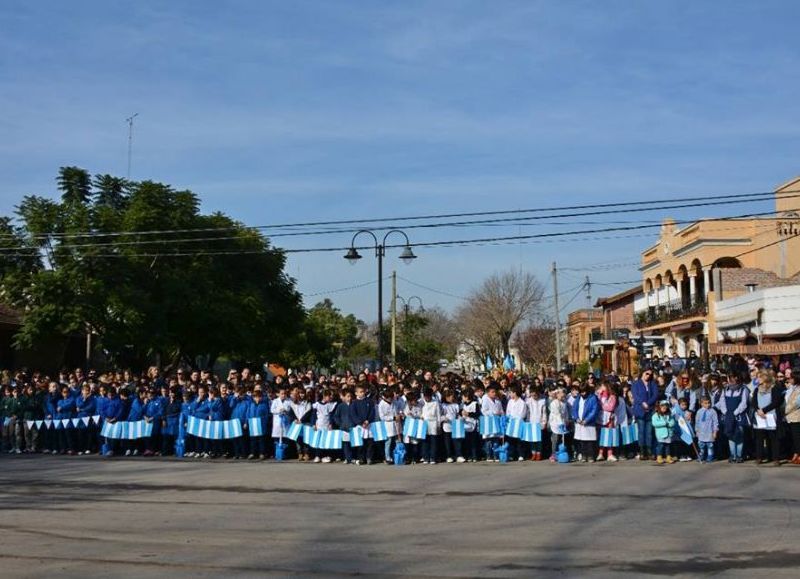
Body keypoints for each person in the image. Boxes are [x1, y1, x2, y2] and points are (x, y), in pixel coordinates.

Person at [751, 370, 782, 466]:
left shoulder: (774, 388)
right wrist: (758, 410)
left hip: (771, 416)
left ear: (765, 378)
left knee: (773, 438)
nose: (758, 379)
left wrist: (764, 410)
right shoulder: (757, 389)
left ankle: (775, 458)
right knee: (759, 438)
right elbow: (754, 402)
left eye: (759, 377)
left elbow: (776, 402)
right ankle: (759, 457)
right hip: (760, 416)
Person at [716, 372, 749, 463]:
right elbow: (722, 401)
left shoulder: (743, 389)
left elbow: (744, 403)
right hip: (728, 415)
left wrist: (736, 412)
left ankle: (739, 455)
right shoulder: (725, 389)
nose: (731, 380)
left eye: (733, 377)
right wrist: (725, 411)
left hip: (739, 416)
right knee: (730, 435)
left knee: (739, 436)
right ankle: (732, 455)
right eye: (730, 378)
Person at [631, 368, 659, 460]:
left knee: (649, 432)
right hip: (640, 409)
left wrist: (648, 403)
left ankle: (649, 451)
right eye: (647, 373)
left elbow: (655, 395)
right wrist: (643, 403)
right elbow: (635, 396)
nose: (648, 375)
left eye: (650, 374)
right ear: (643, 373)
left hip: (650, 410)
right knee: (641, 431)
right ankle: (642, 451)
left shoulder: (653, 383)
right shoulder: (636, 383)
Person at [571, 383, 599, 463]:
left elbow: (594, 410)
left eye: (584, 392)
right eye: (581, 392)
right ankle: (584, 455)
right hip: (580, 422)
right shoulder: (578, 398)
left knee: (590, 440)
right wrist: (576, 418)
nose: (583, 394)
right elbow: (574, 409)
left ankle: (590, 456)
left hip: (589, 423)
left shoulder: (593, 398)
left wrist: (587, 420)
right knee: (582, 440)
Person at [596, 380, 618, 462]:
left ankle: (610, 454)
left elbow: (610, 407)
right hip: (600, 418)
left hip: (609, 419)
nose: (602, 388)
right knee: (601, 436)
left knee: (609, 436)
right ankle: (600, 453)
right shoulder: (599, 395)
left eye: (603, 386)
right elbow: (597, 405)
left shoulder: (612, 396)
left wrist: (602, 406)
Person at [480, 385, 504, 462]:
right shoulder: (485, 400)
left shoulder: (498, 401)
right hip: (489, 422)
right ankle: (489, 456)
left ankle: (496, 455)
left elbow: (501, 410)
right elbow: (484, 411)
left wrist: (502, 415)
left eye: (495, 392)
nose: (494, 393)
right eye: (492, 392)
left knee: (496, 440)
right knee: (488, 440)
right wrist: (493, 413)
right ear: (488, 393)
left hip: (496, 422)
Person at [504, 385, 528, 462]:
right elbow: (508, 412)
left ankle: (521, 454)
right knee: (511, 439)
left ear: (515, 393)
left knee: (519, 440)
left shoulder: (522, 402)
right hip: (510, 423)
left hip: (518, 423)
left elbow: (522, 414)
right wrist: (509, 418)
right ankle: (512, 455)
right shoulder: (510, 401)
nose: (510, 394)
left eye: (511, 393)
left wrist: (515, 418)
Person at [332, 388, 355, 464]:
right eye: (348, 396)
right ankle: (347, 458)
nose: (349, 398)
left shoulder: (354, 404)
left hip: (353, 427)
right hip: (344, 428)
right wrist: (340, 424)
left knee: (353, 443)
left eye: (351, 396)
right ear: (344, 397)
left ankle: (353, 457)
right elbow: (336, 417)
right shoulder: (340, 406)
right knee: (345, 444)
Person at [377, 387, 399, 464]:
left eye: (392, 398)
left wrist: (399, 415)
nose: (391, 399)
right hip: (387, 425)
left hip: (396, 424)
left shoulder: (393, 402)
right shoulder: (381, 404)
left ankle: (397, 456)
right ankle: (387, 457)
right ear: (385, 397)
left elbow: (396, 410)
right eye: (390, 398)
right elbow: (382, 417)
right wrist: (392, 417)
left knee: (397, 441)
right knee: (388, 442)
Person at [420, 386, 441, 464]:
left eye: (428, 396)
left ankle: (433, 457)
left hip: (433, 423)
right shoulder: (421, 402)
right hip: (424, 423)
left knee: (433, 441)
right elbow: (419, 411)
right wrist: (420, 416)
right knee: (425, 441)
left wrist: (438, 425)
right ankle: (425, 457)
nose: (427, 398)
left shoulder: (435, 402)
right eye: (425, 396)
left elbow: (438, 414)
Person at [694, 396, 719, 463]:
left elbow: (715, 422)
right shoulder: (699, 412)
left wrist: (715, 432)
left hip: (709, 432)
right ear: (701, 403)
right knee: (701, 446)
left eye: (709, 403)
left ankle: (710, 457)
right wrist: (697, 430)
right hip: (701, 432)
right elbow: (697, 422)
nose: (708, 405)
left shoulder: (713, 411)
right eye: (705, 403)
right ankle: (701, 457)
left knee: (710, 446)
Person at [440, 388, 462, 463]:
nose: (452, 398)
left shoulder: (456, 405)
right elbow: (440, 415)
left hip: (455, 426)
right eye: (451, 396)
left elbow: (457, 414)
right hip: (446, 426)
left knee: (457, 441)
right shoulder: (443, 405)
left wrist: (459, 418)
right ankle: (448, 456)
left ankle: (458, 455)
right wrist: (444, 418)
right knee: (447, 442)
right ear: (447, 397)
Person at [247, 388, 270, 460]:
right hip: (252, 424)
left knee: (261, 440)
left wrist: (265, 422)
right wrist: (247, 422)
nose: (257, 398)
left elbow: (266, 415)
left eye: (258, 396)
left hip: (261, 424)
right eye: (255, 397)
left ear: (261, 397)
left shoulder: (264, 405)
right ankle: (253, 453)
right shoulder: (251, 405)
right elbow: (248, 413)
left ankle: (262, 453)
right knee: (253, 440)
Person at [548, 387, 569, 462]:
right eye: (561, 394)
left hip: (562, 423)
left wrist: (566, 421)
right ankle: (553, 454)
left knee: (562, 439)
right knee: (555, 439)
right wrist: (560, 423)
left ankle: (560, 453)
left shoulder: (564, 403)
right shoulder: (554, 403)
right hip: (555, 423)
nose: (563, 396)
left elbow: (566, 413)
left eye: (563, 394)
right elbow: (557, 414)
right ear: (557, 395)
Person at [525, 387, 547, 461]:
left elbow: (544, 413)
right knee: (532, 440)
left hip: (539, 422)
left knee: (539, 440)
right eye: (532, 395)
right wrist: (527, 422)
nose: (534, 396)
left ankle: (538, 453)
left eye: (535, 395)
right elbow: (527, 413)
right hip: (531, 422)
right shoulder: (528, 401)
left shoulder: (542, 401)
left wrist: (544, 422)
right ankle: (533, 453)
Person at [783, 370, 800, 465]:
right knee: (793, 438)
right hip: (790, 417)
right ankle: (795, 454)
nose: (790, 380)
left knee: (797, 438)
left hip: (796, 416)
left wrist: (785, 410)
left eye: (792, 378)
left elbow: (796, 403)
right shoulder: (794, 388)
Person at [161, 386, 182, 456]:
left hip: (175, 421)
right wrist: (163, 419)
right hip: (167, 420)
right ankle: (165, 451)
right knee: (166, 437)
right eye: (170, 393)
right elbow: (163, 411)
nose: (171, 394)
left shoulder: (178, 401)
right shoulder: (166, 401)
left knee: (174, 437)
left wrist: (173, 402)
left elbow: (177, 410)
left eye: (172, 393)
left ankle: (175, 451)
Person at [460, 387, 480, 463]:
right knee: (466, 442)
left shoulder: (475, 404)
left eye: (463, 396)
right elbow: (459, 413)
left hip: (473, 425)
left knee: (473, 442)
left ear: (467, 396)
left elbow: (477, 414)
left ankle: (474, 456)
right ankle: (468, 456)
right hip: (465, 425)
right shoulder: (462, 405)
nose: (462, 398)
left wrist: (468, 414)